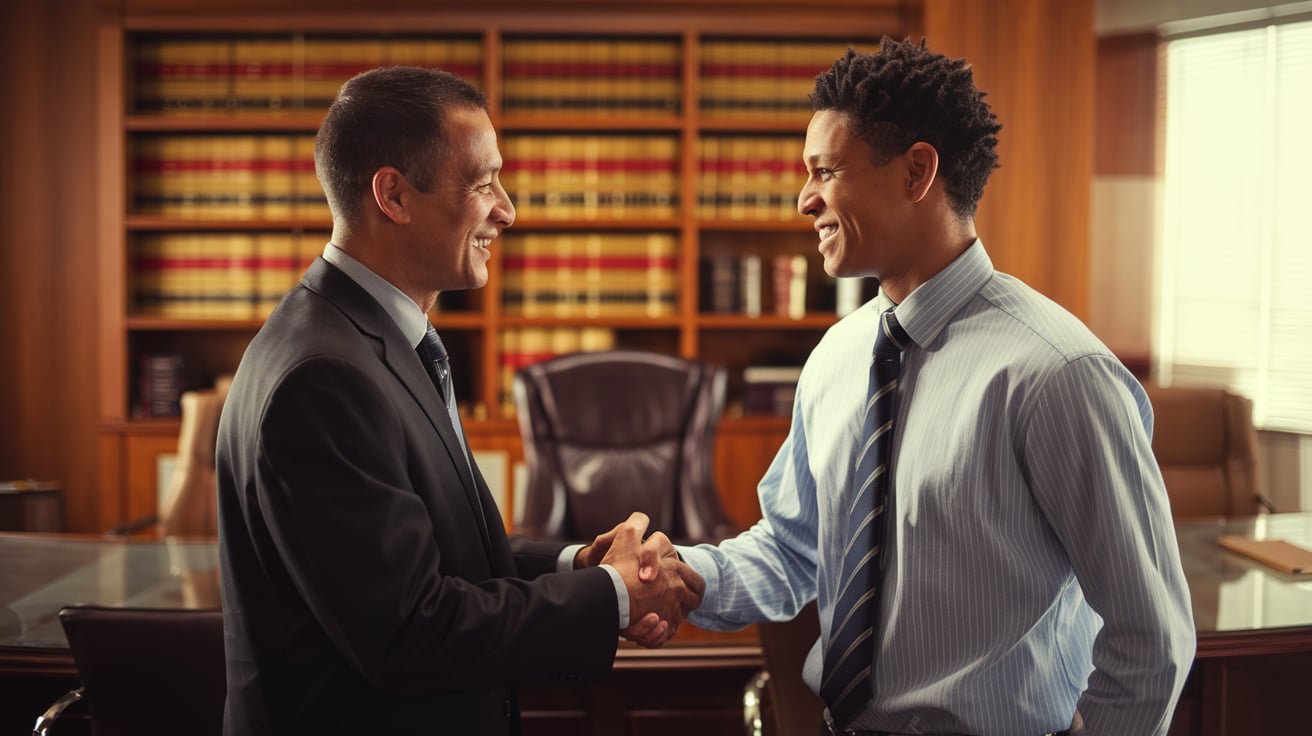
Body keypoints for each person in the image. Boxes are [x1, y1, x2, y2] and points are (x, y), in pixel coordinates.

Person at [677, 39, 1195, 735]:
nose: (804, 200)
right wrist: (684, 576)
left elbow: (1151, 637)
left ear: (918, 171)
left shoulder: (1058, 374)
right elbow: (795, 548)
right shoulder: (835, 357)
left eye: (825, 172)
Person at [215, 66, 702, 736]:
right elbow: (410, 629)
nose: (508, 208)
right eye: (483, 184)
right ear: (393, 195)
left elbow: (435, 557)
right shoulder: (325, 377)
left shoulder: (372, 340)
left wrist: (578, 566)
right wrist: (612, 595)